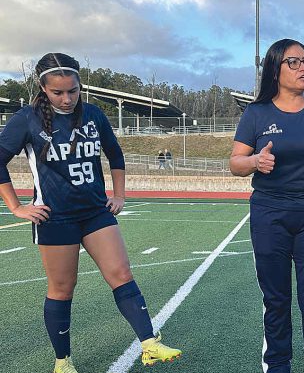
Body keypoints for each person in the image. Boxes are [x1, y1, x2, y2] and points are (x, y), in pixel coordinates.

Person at [0, 53, 180, 373]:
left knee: (122, 274)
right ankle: (62, 362)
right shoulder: (26, 119)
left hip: (96, 212)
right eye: (58, 92)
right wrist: (15, 206)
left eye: (73, 90)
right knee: (62, 289)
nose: (67, 98)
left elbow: (115, 155)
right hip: (55, 218)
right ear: (43, 89)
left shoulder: (94, 114)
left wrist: (120, 195)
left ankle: (149, 344)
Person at [229, 39, 304, 373]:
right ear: (275, 69)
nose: (303, 69)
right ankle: (277, 366)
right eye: (293, 62)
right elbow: (235, 163)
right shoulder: (257, 114)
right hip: (270, 218)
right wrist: (256, 160)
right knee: (277, 301)